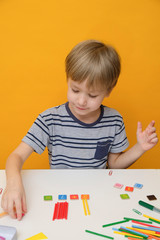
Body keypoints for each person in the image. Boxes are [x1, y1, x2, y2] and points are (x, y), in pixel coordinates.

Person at [1, 40, 158, 221]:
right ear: (67, 80)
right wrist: (13, 184)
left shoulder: (114, 120)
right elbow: (16, 157)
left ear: (108, 90)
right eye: (75, 90)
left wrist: (140, 147)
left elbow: (114, 164)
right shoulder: (50, 118)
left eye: (92, 95)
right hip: (60, 196)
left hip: (97, 198)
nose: (81, 101)